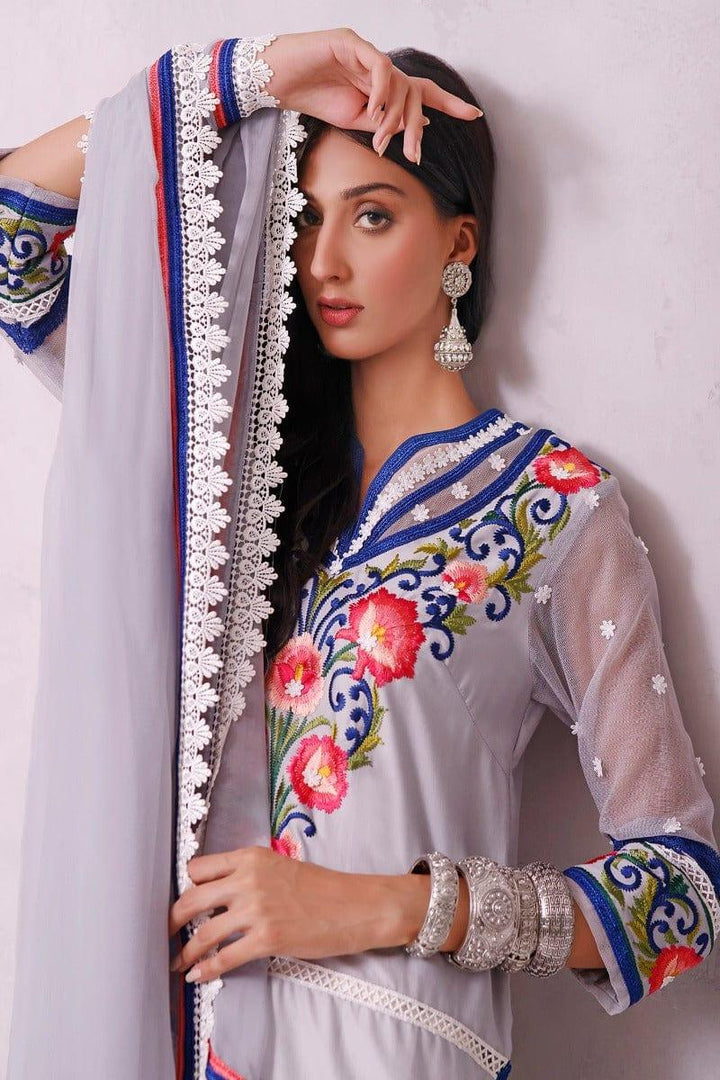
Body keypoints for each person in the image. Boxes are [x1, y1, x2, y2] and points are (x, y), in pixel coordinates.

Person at [1, 26, 718, 1080]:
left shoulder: (552, 506)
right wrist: (252, 80)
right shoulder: (224, 472)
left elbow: (678, 897)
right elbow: (16, 239)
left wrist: (389, 906)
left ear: (460, 243)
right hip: (197, 1047)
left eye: (371, 216)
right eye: (303, 219)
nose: (322, 262)